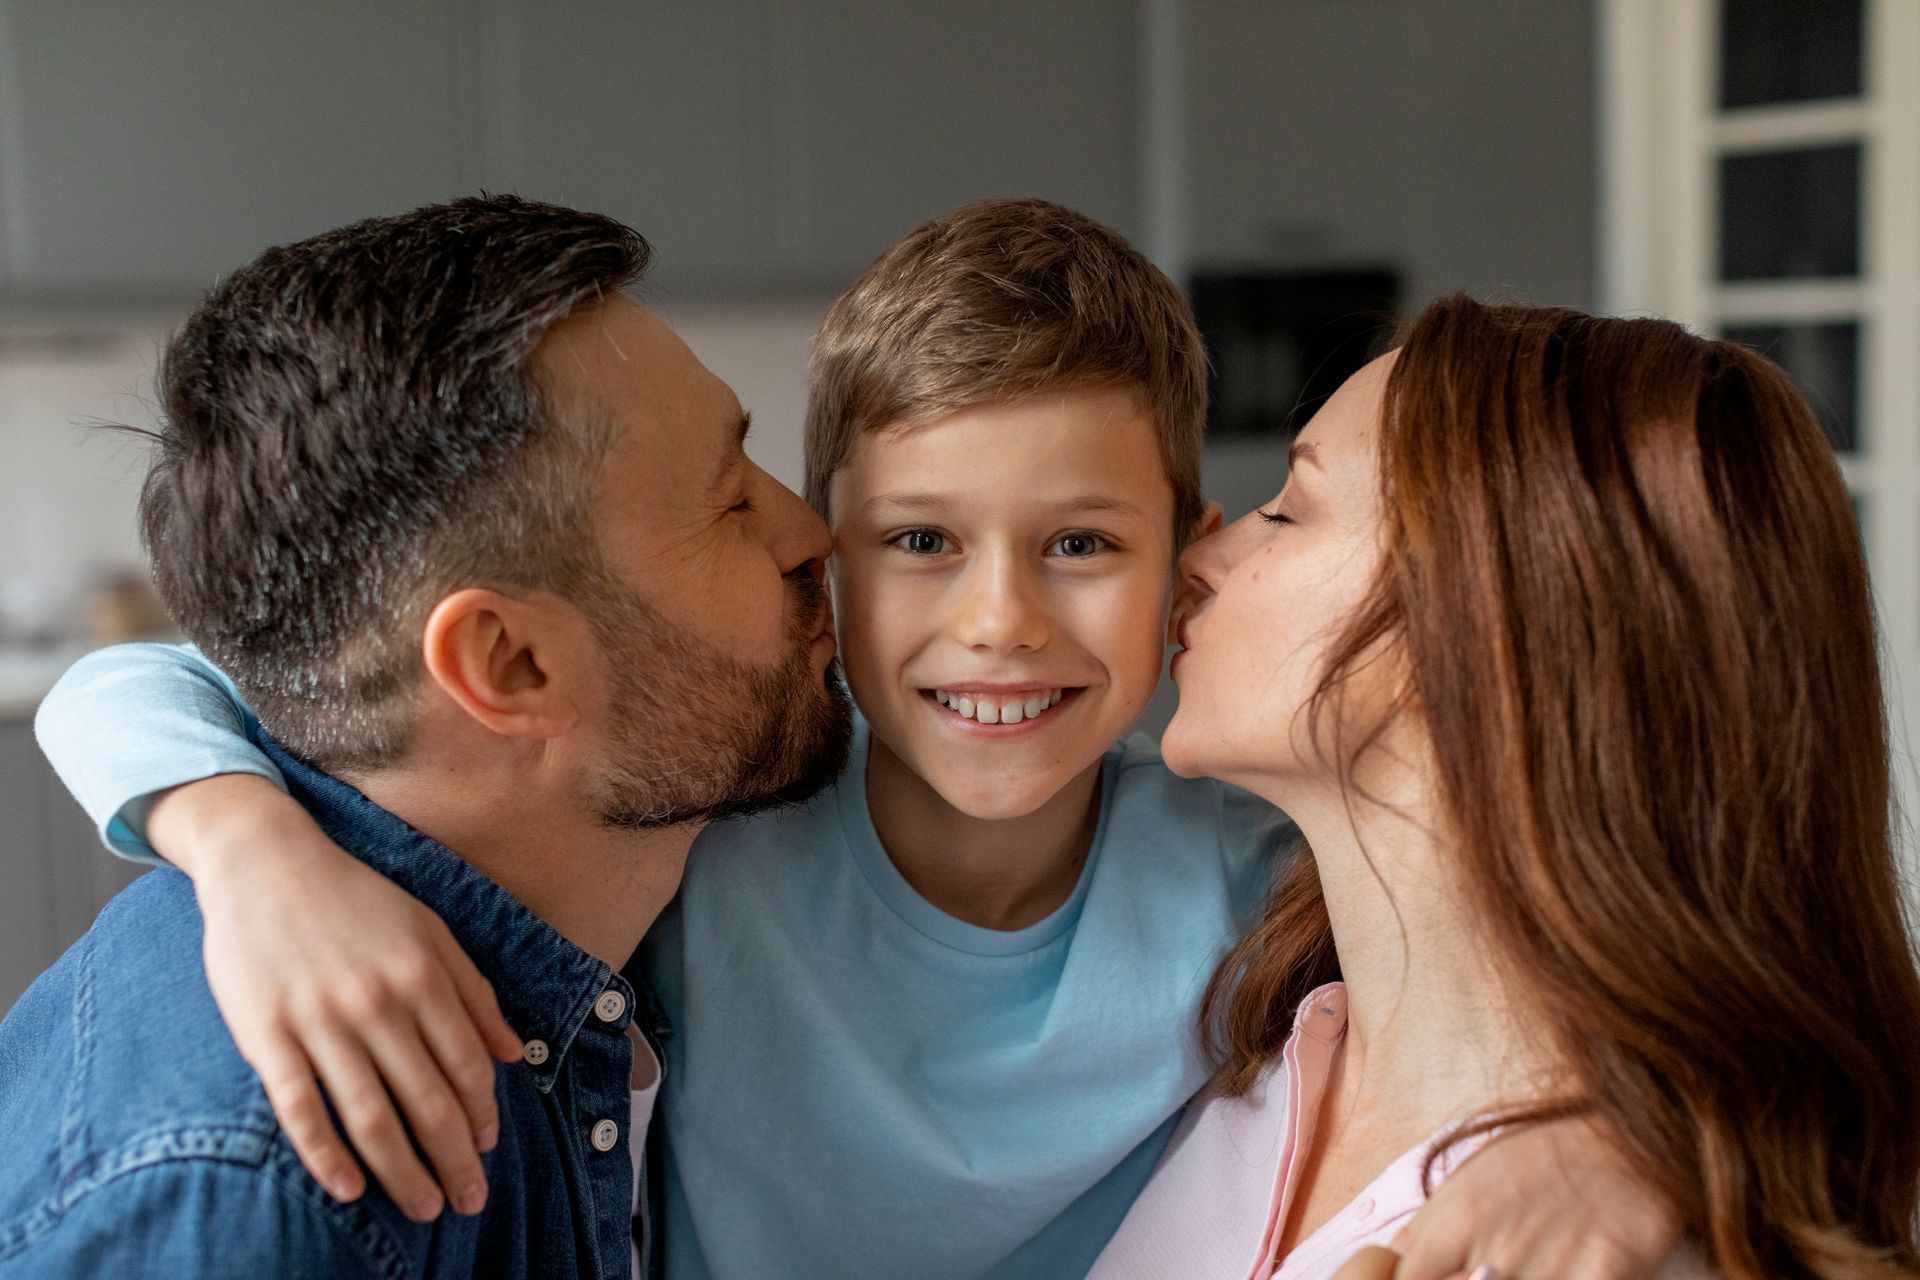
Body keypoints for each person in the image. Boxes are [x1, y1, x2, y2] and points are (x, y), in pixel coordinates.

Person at [34, 203, 1675, 1279]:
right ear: (832, 557)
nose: (1001, 623)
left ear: (1189, 556)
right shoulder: (722, 807)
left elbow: (1628, 948)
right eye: (917, 545)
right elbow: (163, 680)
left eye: (1084, 547)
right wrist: (241, 848)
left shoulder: (1260, 874)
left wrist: (1625, 1151)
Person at [0, 195, 853, 1278]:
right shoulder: (265, 1199)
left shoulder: (559, 838)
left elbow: (134, 680)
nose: (811, 532)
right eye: (730, 503)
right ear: (509, 665)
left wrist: (240, 837)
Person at [1086, 296, 1920, 1280]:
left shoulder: (1601, 1252)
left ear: (1474, 631)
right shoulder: (1257, 1053)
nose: (1196, 560)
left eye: (1289, 508)